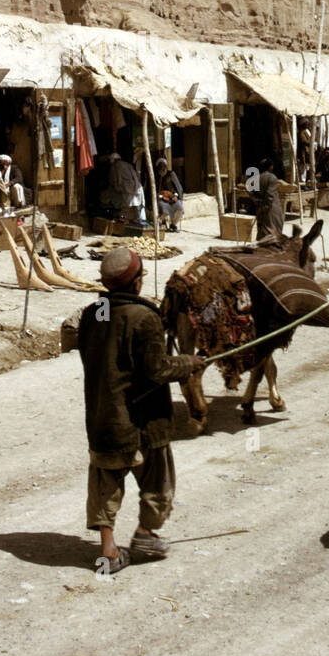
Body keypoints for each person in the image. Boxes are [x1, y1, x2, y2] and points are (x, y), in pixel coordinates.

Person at [77, 247, 203, 574]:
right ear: (135, 283)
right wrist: (190, 363)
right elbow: (157, 370)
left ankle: (108, 551)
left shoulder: (93, 313)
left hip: (103, 418)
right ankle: (146, 533)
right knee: (158, 479)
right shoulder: (145, 318)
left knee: (106, 484)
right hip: (143, 421)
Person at [102, 152, 146, 224]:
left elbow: (114, 180)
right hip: (137, 187)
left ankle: (124, 220)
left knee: (126, 206)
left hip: (127, 188)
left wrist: (117, 187)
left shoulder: (115, 166)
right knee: (134, 207)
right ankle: (133, 221)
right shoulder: (128, 164)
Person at [255, 156, 285, 238]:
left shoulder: (257, 178)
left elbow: (253, 194)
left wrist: (259, 207)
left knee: (263, 232)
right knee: (274, 232)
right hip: (272, 210)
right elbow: (270, 196)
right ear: (270, 167)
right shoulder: (272, 177)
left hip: (261, 210)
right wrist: (265, 207)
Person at [155, 157, 184, 232]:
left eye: (164, 166)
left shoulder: (171, 174)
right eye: (160, 166)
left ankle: (173, 224)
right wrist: (161, 196)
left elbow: (178, 188)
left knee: (179, 207)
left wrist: (176, 196)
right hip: (162, 199)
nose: (162, 168)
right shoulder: (156, 177)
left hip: (172, 197)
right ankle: (161, 222)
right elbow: (156, 191)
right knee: (164, 210)